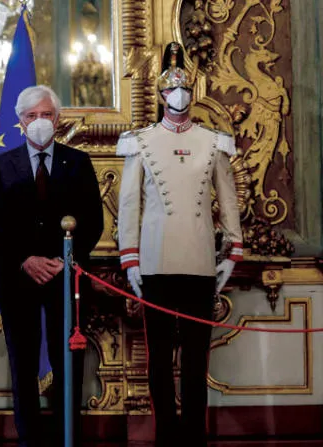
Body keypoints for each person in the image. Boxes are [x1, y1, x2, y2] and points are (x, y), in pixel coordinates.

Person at [116, 42, 243, 447]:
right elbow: (129, 205)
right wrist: (131, 260)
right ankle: (166, 435)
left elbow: (229, 201)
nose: (179, 94)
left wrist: (233, 251)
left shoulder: (214, 142)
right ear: (160, 94)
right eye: (172, 88)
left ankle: (193, 435)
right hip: (155, 262)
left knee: (194, 358)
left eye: (184, 87)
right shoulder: (141, 141)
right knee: (158, 358)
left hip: (201, 261)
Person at [0, 85, 104, 447]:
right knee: (23, 366)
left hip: (65, 279)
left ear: (58, 118)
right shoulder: (3, 164)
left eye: (46, 114)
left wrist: (62, 261)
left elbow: (93, 223)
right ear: (20, 121)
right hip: (18, 278)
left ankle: (68, 437)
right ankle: (29, 440)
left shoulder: (78, 162)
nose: (39, 121)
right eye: (31, 115)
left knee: (69, 364)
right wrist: (26, 259)